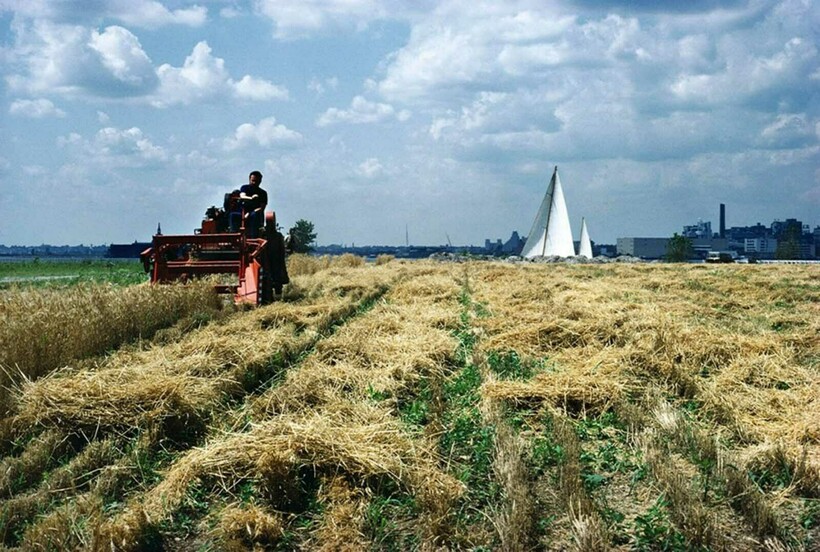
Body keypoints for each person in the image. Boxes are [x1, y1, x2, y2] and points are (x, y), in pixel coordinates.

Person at [231, 170, 268, 237]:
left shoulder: (263, 193)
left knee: (254, 215)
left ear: (260, 181)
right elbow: (242, 196)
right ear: (249, 179)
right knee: (233, 215)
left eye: (256, 181)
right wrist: (251, 198)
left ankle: (254, 237)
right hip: (242, 213)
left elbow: (262, 208)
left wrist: (249, 213)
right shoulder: (244, 188)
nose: (254, 183)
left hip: (255, 213)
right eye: (252, 180)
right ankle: (234, 236)